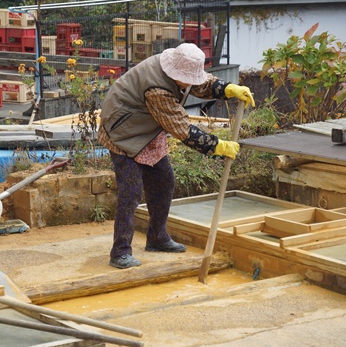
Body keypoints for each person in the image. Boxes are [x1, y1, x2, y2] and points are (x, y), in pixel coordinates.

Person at [98, 43, 255, 269]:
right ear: (175, 73)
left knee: (164, 182)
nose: (191, 82)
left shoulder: (178, 69)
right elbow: (181, 128)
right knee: (131, 193)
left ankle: (157, 238)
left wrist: (227, 89)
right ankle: (120, 252)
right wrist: (216, 145)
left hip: (147, 129)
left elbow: (201, 84)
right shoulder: (157, 89)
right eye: (187, 78)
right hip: (123, 132)